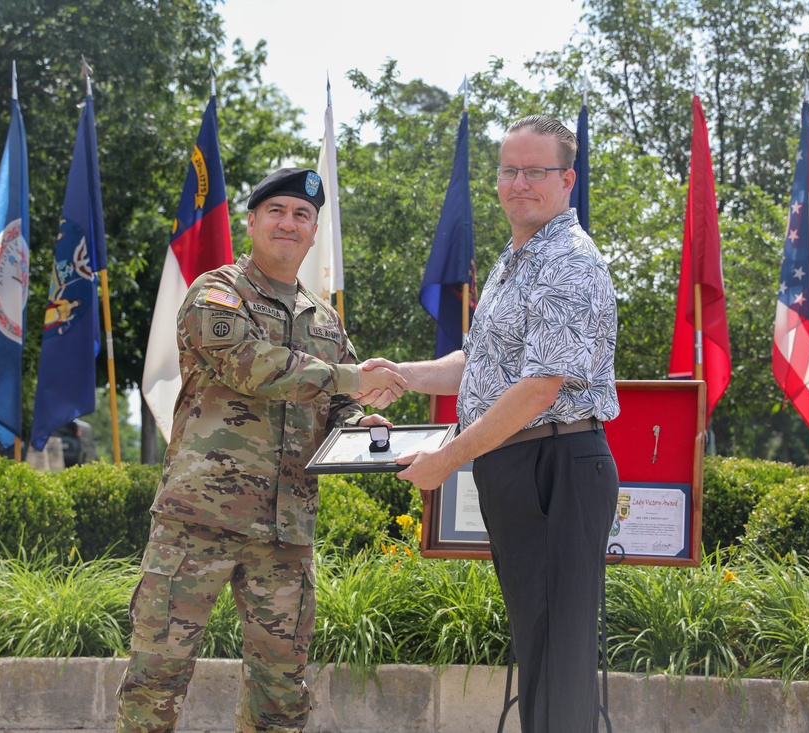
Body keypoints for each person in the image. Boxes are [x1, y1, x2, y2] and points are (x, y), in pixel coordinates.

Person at [116, 167, 405, 733]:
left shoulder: (325, 321)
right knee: (158, 676)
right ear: (251, 222)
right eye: (276, 211)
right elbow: (252, 367)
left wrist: (364, 423)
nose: (288, 224)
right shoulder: (217, 293)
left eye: (302, 216)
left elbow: (335, 406)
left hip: (285, 533)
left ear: (314, 232)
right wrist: (351, 380)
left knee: (282, 690)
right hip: (198, 522)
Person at [364, 114, 620, 733]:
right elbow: (480, 365)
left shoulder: (566, 261)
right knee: (537, 648)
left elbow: (538, 389)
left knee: (558, 659)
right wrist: (403, 373)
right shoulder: (516, 258)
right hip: (522, 467)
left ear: (568, 180)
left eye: (536, 170)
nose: (519, 182)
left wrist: (446, 459)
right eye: (510, 170)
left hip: (554, 465)